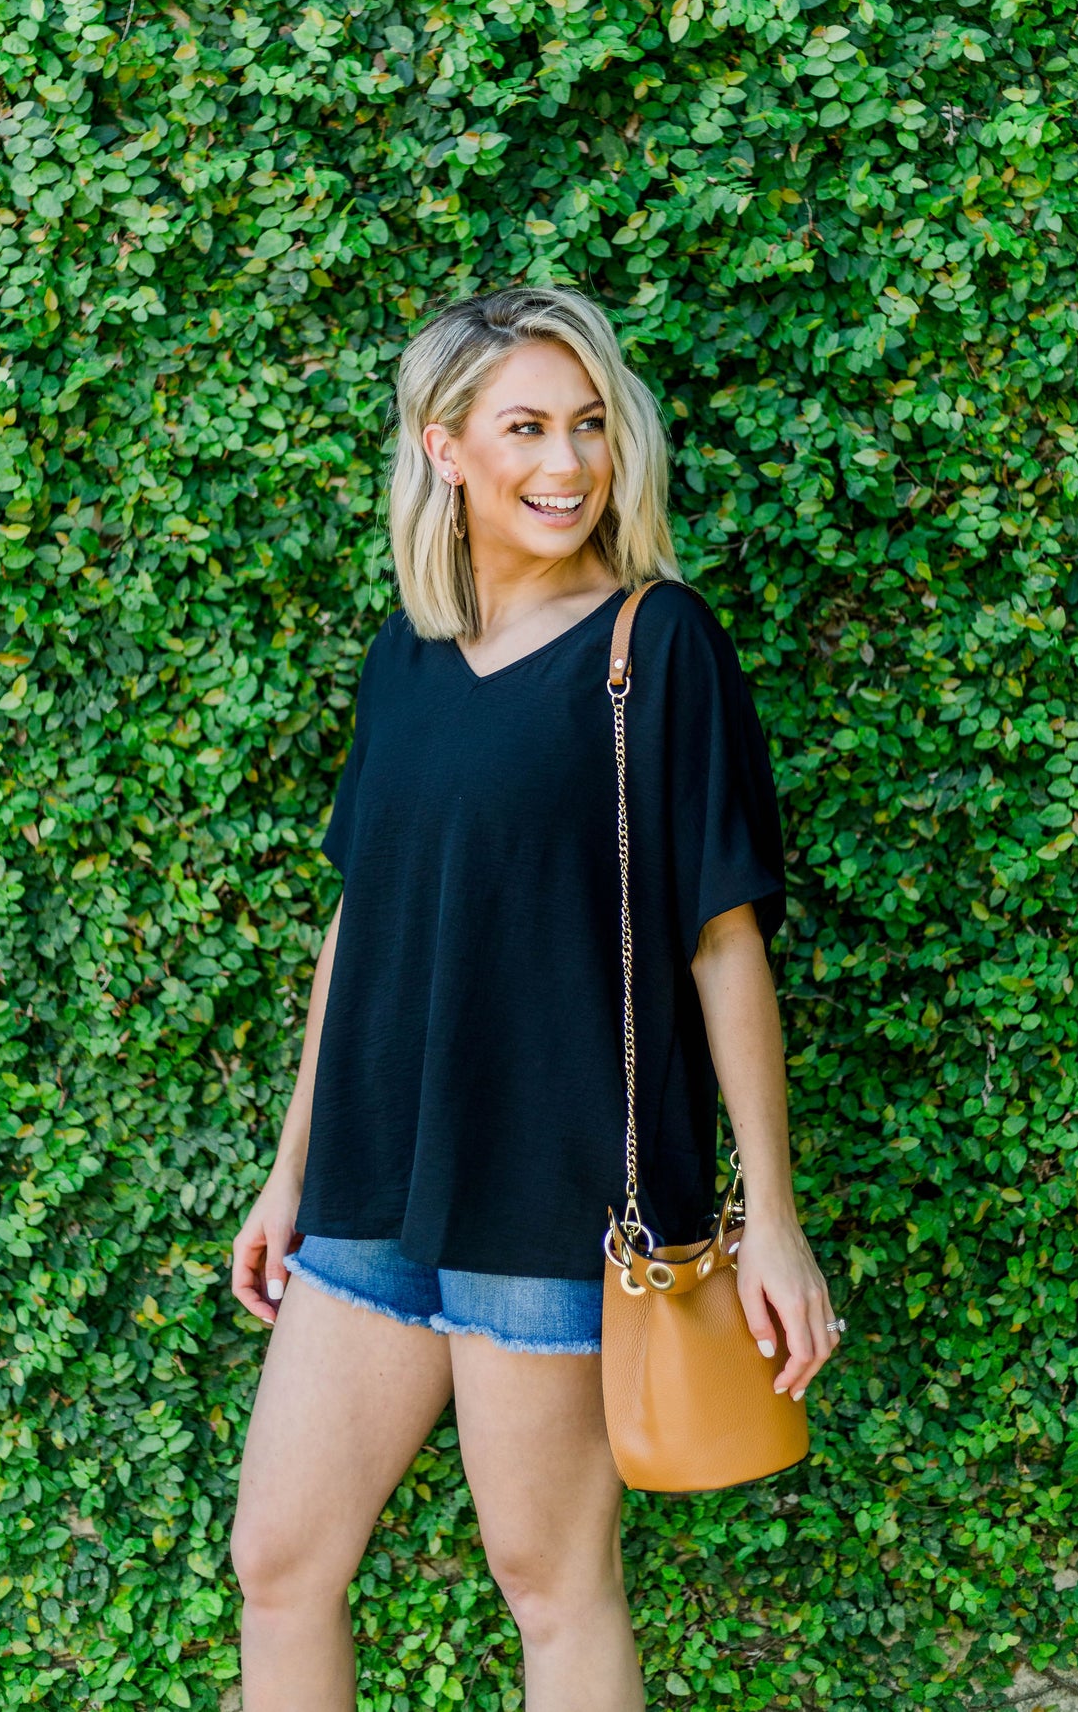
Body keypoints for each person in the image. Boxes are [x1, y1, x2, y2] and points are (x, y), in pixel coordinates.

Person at [228, 284, 843, 1712]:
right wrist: (290, 1170)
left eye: (588, 425)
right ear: (443, 447)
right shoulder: (406, 654)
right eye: (524, 428)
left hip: (554, 1188)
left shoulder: (657, 643)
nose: (566, 464)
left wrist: (771, 1214)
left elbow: (722, 941)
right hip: (373, 1188)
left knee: (552, 1585)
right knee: (279, 1560)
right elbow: (361, 925)